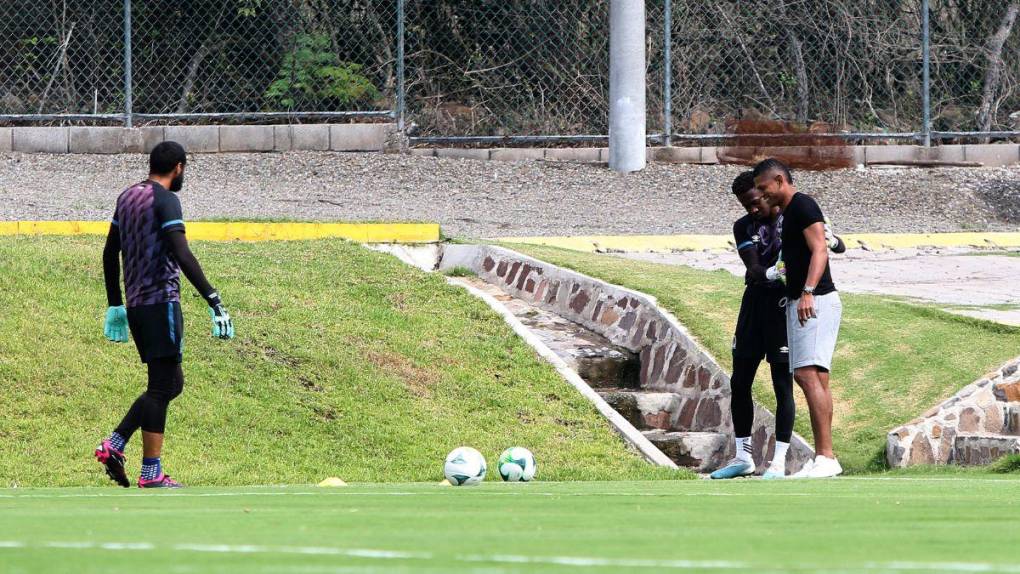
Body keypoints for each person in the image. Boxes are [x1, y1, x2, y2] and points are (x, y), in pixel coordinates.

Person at [95, 141, 235, 489]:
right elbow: (181, 253)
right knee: (163, 386)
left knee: (170, 383)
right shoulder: (166, 199)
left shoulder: (127, 197)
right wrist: (213, 299)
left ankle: (141, 463)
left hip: (138, 307)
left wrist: (116, 303)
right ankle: (123, 451)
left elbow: (110, 252)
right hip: (161, 302)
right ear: (178, 168)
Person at [711, 172, 845, 480]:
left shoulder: (793, 213)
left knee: (788, 380)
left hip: (785, 305)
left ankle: (779, 462)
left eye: (757, 200)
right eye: (747, 204)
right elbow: (754, 268)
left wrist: (832, 242)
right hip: (756, 304)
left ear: (771, 188)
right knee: (740, 381)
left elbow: (827, 247)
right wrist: (772, 272)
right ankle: (743, 456)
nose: (753, 208)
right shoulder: (744, 226)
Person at [752, 158, 844, 478]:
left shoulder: (803, 205)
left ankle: (827, 457)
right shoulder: (788, 213)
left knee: (806, 375)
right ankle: (824, 457)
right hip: (802, 300)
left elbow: (820, 249)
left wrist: (807, 291)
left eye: (765, 189)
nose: (763, 196)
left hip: (815, 300)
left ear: (779, 181)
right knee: (815, 378)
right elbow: (799, 256)